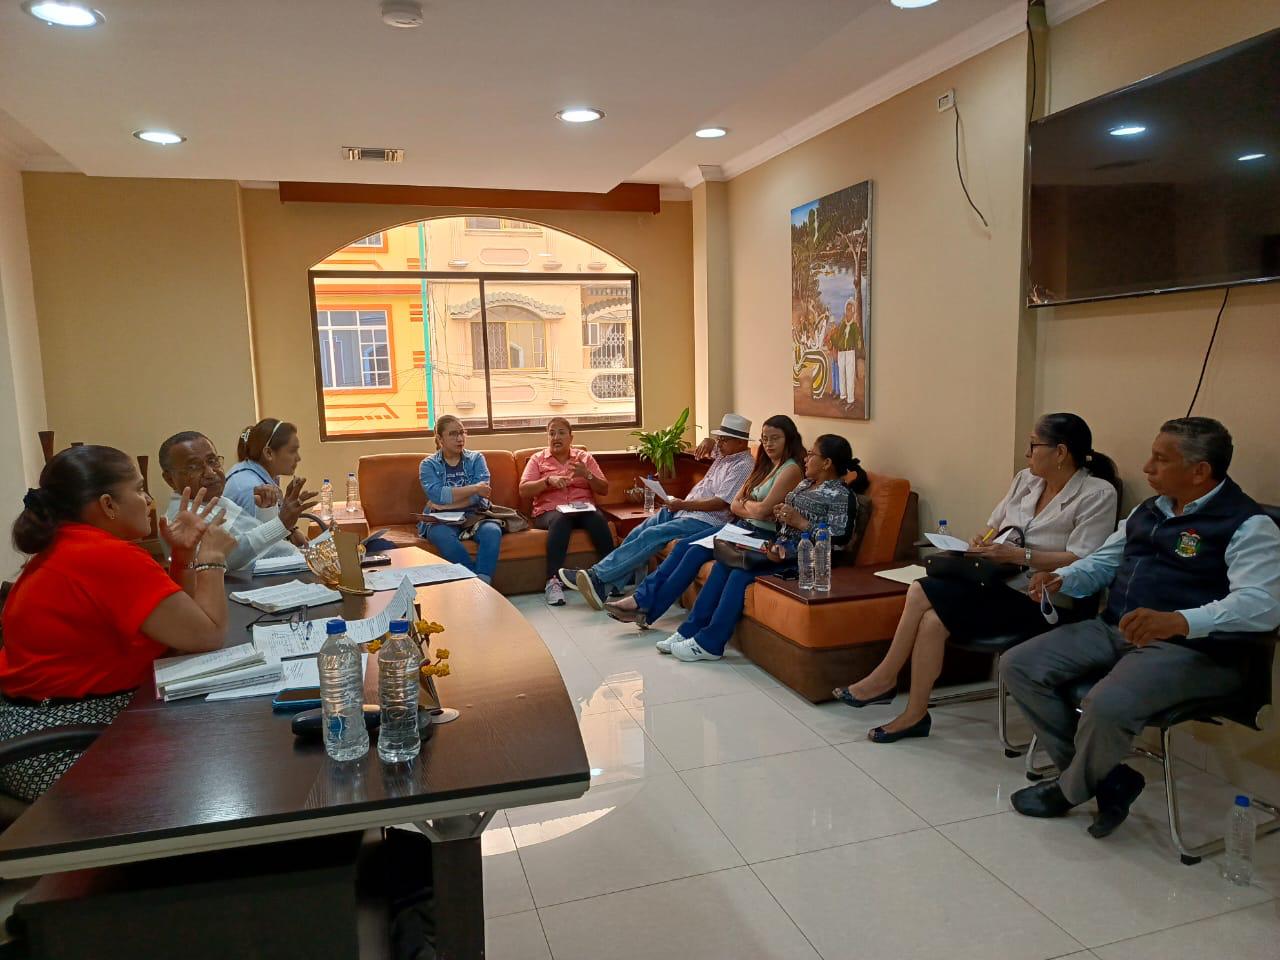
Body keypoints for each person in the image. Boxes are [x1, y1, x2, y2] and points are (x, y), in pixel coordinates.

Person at [1003, 417, 1280, 838]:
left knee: (1106, 703)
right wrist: (1064, 578)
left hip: (1194, 650)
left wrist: (1180, 620)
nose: (1147, 467)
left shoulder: (1248, 525)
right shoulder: (1149, 510)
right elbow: (1104, 561)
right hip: (1117, 627)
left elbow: (1262, 605)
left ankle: (1069, 790)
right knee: (1018, 665)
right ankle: (1107, 780)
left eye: (1160, 459)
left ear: (1199, 471)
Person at [835, 413, 1120, 744]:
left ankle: (887, 682)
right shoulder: (1026, 480)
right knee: (928, 611)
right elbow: (994, 525)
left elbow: (1084, 558)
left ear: (1060, 452)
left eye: (1033, 445)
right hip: (997, 581)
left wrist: (1019, 556)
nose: (1027, 454)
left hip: (1043, 598)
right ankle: (912, 711)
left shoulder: (1097, 493)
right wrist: (981, 542)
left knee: (924, 600)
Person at [0, 446, 237, 801]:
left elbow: (180, 629)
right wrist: (212, 558)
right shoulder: (104, 556)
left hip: (39, 730)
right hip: (60, 744)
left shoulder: (72, 546)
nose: (149, 501)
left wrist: (184, 554)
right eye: (139, 489)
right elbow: (208, 634)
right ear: (108, 505)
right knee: (217, 767)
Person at [664, 435, 867, 662]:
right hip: (779, 548)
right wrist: (780, 516)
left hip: (806, 560)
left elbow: (840, 538)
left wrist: (800, 523)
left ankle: (710, 643)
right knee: (723, 565)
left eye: (811, 454)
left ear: (827, 463)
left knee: (739, 575)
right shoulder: (805, 484)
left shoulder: (841, 495)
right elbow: (787, 520)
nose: (806, 459)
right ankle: (689, 630)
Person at [604, 414, 805, 630]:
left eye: (775, 438)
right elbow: (736, 505)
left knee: (688, 550)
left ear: (789, 439)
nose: (768, 444)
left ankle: (642, 606)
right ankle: (640, 602)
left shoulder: (788, 469)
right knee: (685, 547)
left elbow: (759, 510)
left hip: (757, 534)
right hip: (742, 527)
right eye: (764, 438)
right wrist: (750, 507)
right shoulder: (764, 465)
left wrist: (747, 505)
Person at [560, 413, 756, 610]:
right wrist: (708, 440)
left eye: (724, 440)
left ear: (741, 442)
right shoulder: (725, 454)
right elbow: (711, 446)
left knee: (653, 534)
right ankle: (607, 585)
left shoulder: (743, 465)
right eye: (719, 438)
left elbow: (720, 503)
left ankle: (598, 577)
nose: (719, 443)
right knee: (639, 530)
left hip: (706, 520)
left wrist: (682, 505)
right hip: (685, 510)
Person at [158, 431, 317, 572]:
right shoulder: (180, 519)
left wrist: (266, 510)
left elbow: (259, 546)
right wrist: (281, 524)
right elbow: (223, 559)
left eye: (212, 461)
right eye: (193, 467)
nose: (210, 472)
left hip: (290, 562)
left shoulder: (217, 499)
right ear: (169, 479)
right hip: (264, 582)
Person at [518, 418, 614, 606]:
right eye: (552, 433)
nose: (556, 437)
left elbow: (603, 489)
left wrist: (587, 474)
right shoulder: (538, 459)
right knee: (561, 519)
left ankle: (611, 575)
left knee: (597, 518)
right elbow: (523, 490)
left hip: (582, 509)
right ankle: (552, 582)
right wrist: (547, 481)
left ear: (571, 437)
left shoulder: (584, 458)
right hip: (549, 512)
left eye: (561, 433)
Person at [418, 415, 502, 584]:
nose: (460, 438)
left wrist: (446, 505)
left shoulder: (476, 459)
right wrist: (474, 488)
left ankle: (483, 582)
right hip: (441, 520)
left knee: (492, 531)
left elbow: (480, 496)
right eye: (453, 434)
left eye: (462, 432)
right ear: (440, 438)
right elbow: (437, 495)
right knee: (441, 535)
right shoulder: (428, 465)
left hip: (475, 515)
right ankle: (475, 583)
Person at [224, 418, 307, 546]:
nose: (298, 458)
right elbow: (257, 548)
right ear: (268, 453)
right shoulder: (251, 488)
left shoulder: (253, 472)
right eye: (292, 451)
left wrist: (291, 531)